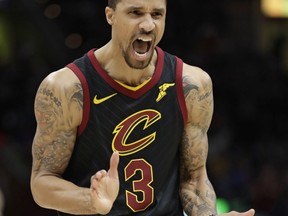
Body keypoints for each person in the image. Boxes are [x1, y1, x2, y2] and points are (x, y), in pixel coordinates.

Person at [30, 0, 255, 215]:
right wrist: (92, 201)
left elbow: (194, 181)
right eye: (135, 13)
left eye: (157, 14)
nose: (148, 25)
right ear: (110, 16)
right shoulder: (66, 88)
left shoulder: (192, 85)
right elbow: (42, 183)